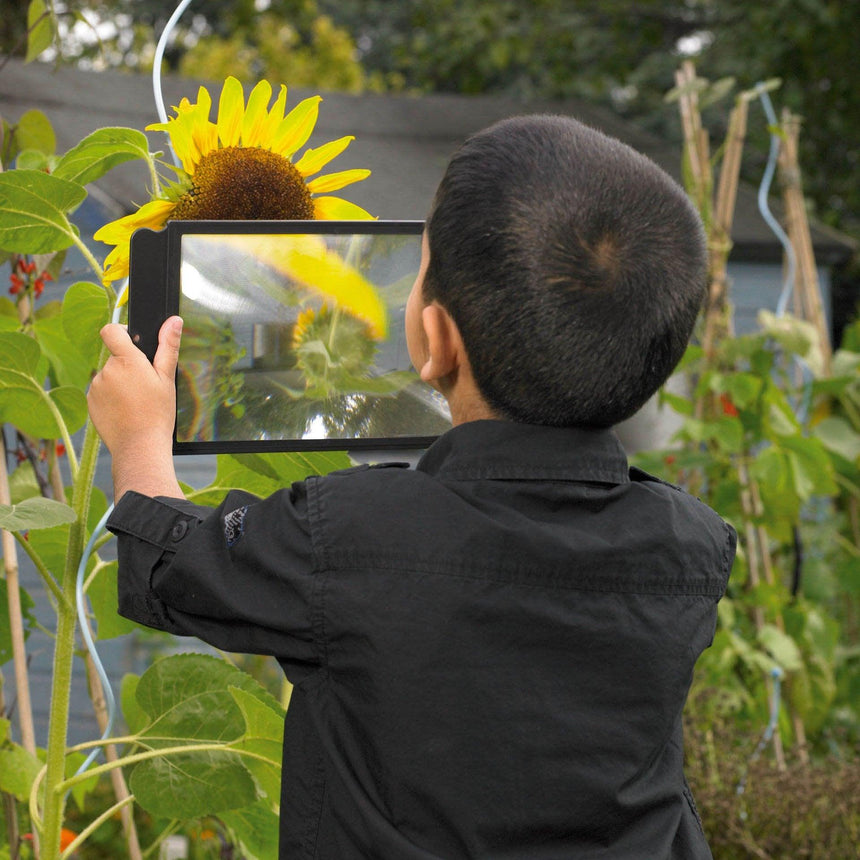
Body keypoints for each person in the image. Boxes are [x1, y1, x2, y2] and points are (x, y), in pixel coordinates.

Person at [88, 114, 736, 859]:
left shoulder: (347, 537)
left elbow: (171, 565)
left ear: (436, 340)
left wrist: (139, 438)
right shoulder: (690, 549)